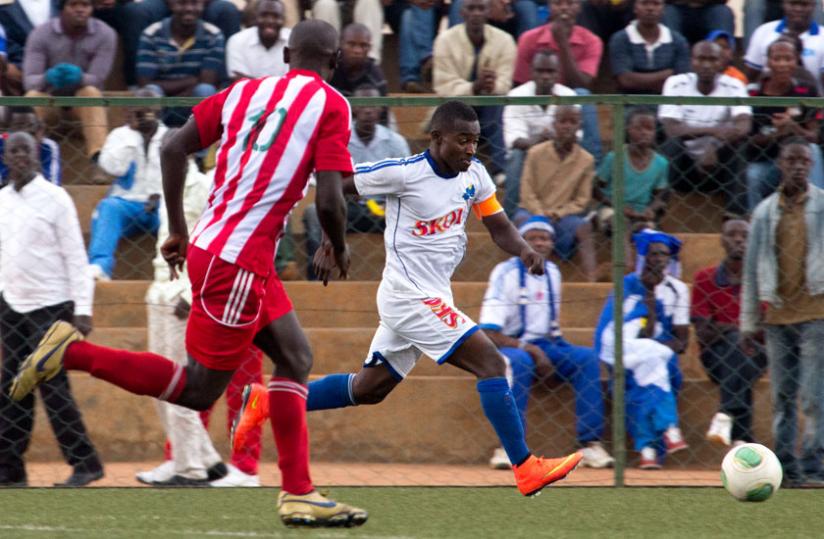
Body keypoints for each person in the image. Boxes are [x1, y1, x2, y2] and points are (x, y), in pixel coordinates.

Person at [10, 20, 368, 527]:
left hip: (224, 248)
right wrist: (335, 243)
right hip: (239, 260)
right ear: (333, 60)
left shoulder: (244, 91)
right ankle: (73, 352)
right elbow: (330, 196)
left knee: (295, 356)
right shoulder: (332, 103)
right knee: (199, 388)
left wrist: (177, 228)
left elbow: (173, 147)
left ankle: (298, 492)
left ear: (287, 54)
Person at [237, 101, 585, 498]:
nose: (471, 149)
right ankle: (525, 467)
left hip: (432, 296)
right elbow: (335, 183)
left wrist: (524, 250)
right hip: (408, 297)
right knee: (492, 362)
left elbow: (499, 226)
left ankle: (266, 402)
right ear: (437, 138)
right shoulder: (403, 174)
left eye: (475, 140)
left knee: (369, 388)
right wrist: (334, 242)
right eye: (462, 140)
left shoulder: (475, 175)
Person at [139, 151, 263, 487]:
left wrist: (194, 291)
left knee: (243, 382)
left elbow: (226, 241)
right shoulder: (184, 184)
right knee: (183, 381)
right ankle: (188, 458)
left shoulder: (233, 181)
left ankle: (244, 466)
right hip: (196, 288)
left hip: (245, 283)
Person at [0, 131, 103, 487]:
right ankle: (10, 469)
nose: (19, 157)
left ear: (36, 154)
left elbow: (76, 257)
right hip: (11, 306)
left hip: (51, 306)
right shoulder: (2, 200)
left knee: (53, 387)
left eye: (25, 150)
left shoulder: (55, 199)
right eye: (13, 151)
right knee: (13, 387)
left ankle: (86, 463)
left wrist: (83, 310)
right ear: (6, 156)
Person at [478, 215, 614, 470]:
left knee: (587, 359)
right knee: (518, 363)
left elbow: (551, 329)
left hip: (546, 344)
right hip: (512, 344)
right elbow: (488, 332)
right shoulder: (504, 273)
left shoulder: (552, 272)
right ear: (520, 242)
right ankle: (509, 448)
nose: (540, 244)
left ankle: (589, 444)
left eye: (545, 238)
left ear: (553, 244)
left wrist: (547, 352)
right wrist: (530, 350)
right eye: (532, 239)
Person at [741, 138, 824, 487]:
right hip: (776, 316)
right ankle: (786, 467)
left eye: (804, 160)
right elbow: (750, 268)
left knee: (813, 395)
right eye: (791, 160)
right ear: (780, 164)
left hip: (815, 312)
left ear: (811, 164)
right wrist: (748, 321)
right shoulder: (764, 212)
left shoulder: (822, 206)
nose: (798, 166)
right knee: (782, 396)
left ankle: (814, 464)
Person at [594, 229, 690, 469]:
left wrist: (653, 309)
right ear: (644, 257)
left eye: (664, 255)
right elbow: (611, 331)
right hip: (619, 349)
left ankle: (647, 448)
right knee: (652, 360)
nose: (659, 259)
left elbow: (681, 343)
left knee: (649, 368)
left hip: (654, 353)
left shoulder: (678, 290)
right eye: (653, 254)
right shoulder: (627, 286)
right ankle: (668, 429)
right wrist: (647, 297)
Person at [303, 84, 411, 280]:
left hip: (383, 208)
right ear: (353, 108)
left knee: (412, 215)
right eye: (363, 105)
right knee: (312, 212)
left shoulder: (396, 142)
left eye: (374, 105)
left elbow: (407, 182)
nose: (368, 110)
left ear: (381, 109)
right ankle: (316, 276)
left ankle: (405, 278)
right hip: (346, 207)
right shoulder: (338, 138)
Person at [692, 219, 767, 447]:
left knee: (738, 346)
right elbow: (703, 334)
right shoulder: (704, 278)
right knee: (737, 342)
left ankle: (726, 414)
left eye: (744, 235)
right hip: (715, 356)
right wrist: (741, 330)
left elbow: (768, 331)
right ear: (721, 240)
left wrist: (723, 328)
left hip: (758, 353)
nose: (738, 240)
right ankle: (742, 437)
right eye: (732, 235)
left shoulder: (762, 279)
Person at [658, 40, 752, 217]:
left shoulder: (734, 85)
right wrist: (713, 132)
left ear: (722, 62)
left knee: (739, 148)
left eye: (713, 59)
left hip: (719, 167)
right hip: (684, 167)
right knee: (672, 145)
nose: (706, 65)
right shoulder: (676, 83)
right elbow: (670, 128)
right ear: (691, 61)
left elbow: (744, 124)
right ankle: (657, 209)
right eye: (701, 59)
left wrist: (715, 145)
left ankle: (735, 216)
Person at [87, 89, 167, 281]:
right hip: (127, 204)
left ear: (158, 112)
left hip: (161, 206)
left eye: (148, 111)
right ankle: (100, 267)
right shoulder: (120, 135)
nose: (143, 115)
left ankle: (173, 272)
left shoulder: (170, 136)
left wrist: (161, 196)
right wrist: (133, 136)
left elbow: (185, 174)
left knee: (180, 213)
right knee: (108, 207)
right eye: (137, 111)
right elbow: (113, 167)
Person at [22, 0, 114, 163]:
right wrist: (48, 77)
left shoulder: (105, 34)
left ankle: (100, 160)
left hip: (83, 109)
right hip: (51, 103)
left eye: (85, 5)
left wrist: (80, 77)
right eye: (73, 4)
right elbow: (29, 80)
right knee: (32, 95)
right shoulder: (40, 33)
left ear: (92, 9)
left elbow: (99, 79)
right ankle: (26, 158)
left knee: (91, 92)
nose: (79, 10)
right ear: (62, 9)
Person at [433, 0, 516, 177]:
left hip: (490, 108)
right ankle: (457, 170)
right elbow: (442, 85)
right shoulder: (445, 40)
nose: (476, 13)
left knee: (496, 103)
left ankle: (500, 171)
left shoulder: (505, 40)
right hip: (456, 107)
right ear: (462, 12)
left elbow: (506, 83)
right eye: (471, 8)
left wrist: (492, 85)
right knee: (454, 111)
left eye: (481, 8)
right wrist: (473, 87)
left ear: (489, 12)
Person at [516, 106, 598, 282]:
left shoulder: (586, 160)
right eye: (562, 121)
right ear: (554, 124)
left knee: (584, 227)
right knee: (520, 220)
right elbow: (526, 190)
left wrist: (558, 213)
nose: (566, 126)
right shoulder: (535, 153)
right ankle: (518, 276)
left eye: (572, 122)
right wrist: (540, 213)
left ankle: (591, 281)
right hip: (532, 211)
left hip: (562, 217)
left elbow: (582, 200)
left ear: (579, 126)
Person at [513, 0, 602, 160]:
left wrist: (562, 43)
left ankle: (593, 164)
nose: (564, 7)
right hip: (538, 98)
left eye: (570, 3)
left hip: (569, 101)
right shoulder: (529, 38)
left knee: (584, 95)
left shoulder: (592, 41)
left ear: (579, 6)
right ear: (548, 6)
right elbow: (522, 83)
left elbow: (582, 83)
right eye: (558, 3)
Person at [746, 38, 823, 212]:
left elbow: (815, 136)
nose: (782, 64)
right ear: (768, 62)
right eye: (777, 59)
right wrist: (775, 131)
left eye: (788, 59)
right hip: (768, 161)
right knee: (751, 175)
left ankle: (818, 212)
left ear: (796, 61)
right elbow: (748, 140)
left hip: (800, 161)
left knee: (814, 151)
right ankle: (756, 221)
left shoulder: (806, 90)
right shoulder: (753, 93)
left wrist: (793, 127)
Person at [92, 0, 239, 88]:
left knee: (227, 10)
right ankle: (137, 86)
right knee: (136, 12)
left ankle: (227, 85)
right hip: (164, 3)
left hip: (202, 3)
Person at [502, 49, 577, 216]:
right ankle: (509, 219)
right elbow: (514, 140)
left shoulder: (569, 96)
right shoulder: (516, 95)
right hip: (527, 157)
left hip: (561, 156)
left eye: (550, 71)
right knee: (515, 156)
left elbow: (576, 138)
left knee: (580, 156)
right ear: (531, 72)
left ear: (558, 74)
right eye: (540, 71)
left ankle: (577, 216)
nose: (545, 76)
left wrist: (553, 143)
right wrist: (540, 142)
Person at [593, 107, 669, 259]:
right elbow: (595, 189)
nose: (644, 133)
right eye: (638, 128)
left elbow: (660, 194)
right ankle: (624, 264)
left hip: (640, 212)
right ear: (628, 130)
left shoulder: (661, 163)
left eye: (649, 129)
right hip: (612, 208)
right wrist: (618, 205)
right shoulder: (614, 157)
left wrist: (651, 209)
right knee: (620, 223)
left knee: (649, 231)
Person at [136, 0, 224, 127]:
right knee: (151, 91)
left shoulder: (213, 35)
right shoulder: (151, 34)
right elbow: (145, 83)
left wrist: (176, 90)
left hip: (192, 104)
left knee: (205, 90)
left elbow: (207, 81)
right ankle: (155, 141)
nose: (188, 8)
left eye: (194, 3)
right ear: (170, 4)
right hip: (161, 103)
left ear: (203, 5)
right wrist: (192, 81)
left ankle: (201, 143)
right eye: (181, 3)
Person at [608, 0, 691, 94]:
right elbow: (625, 81)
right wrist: (667, 74)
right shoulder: (620, 39)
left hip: (668, 103)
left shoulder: (678, 41)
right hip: (629, 104)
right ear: (635, 8)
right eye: (644, 3)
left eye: (656, 4)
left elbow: (681, 82)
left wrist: (637, 79)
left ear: (664, 9)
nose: (650, 8)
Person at [745, 0, 824, 90]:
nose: (798, 9)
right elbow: (751, 75)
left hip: (813, 100)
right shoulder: (763, 31)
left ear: (813, 6)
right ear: (783, 4)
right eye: (793, 4)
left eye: (804, 4)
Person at [226, 0, 290, 80]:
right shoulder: (237, 41)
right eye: (264, 15)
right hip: (248, 92)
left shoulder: (294, 41)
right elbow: (239, 80)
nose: (270, 21)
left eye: (276, 16)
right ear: (255, 18)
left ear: (283, 20)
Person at [0, 107, 61, 185]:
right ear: (8, 130)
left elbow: (53, 184)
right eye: (18, 126)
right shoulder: (2, 142)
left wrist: (36, 148)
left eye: (30, 126)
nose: (25, 131)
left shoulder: (47, 146)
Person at [662, 0, 734, 45]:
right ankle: (671, 62)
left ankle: (720, 60)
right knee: (667, 13)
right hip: (676, 8)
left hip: (710, 8)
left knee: (723, 12)